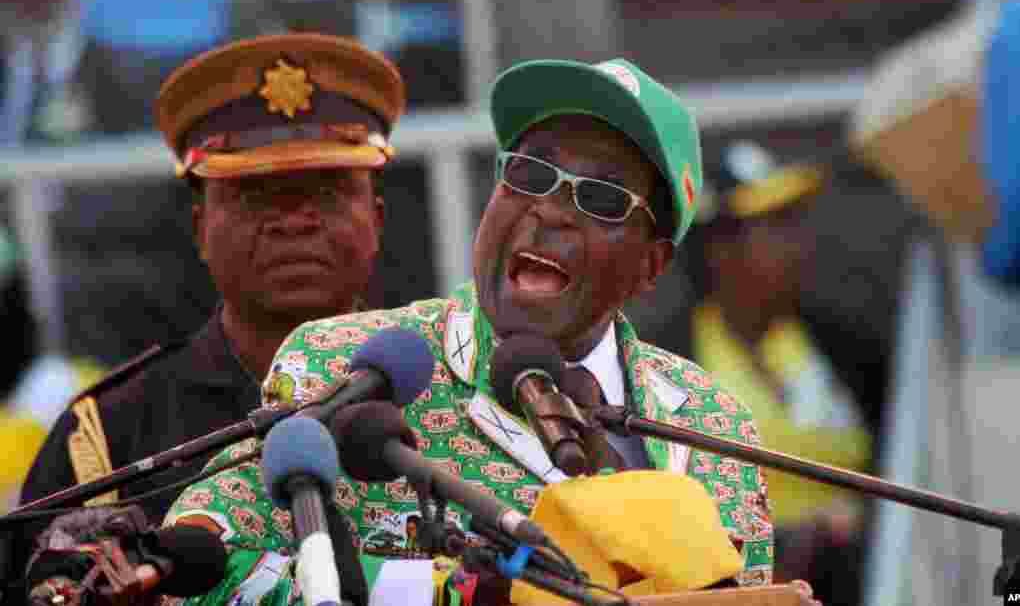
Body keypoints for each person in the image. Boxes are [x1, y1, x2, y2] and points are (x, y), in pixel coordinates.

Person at [166, 58, 803, 605]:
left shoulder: (714, 426)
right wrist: (463, 594)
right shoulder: (346, 365)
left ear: (650, 266)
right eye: (530, 173)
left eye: (602, 198)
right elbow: (203, 575)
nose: (548, 209)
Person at [6, 34, 405, 593]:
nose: (293, 221)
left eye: (326, 191)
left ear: (378, 219)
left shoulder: (461, 398)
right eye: (256, 194)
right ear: (199, 227)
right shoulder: (108, 438)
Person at [686, 140, 871, 604]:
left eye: (795, 222)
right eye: (775, 225)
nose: (799, 243)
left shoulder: (846, 345)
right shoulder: (671, 359)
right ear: (719, 248)